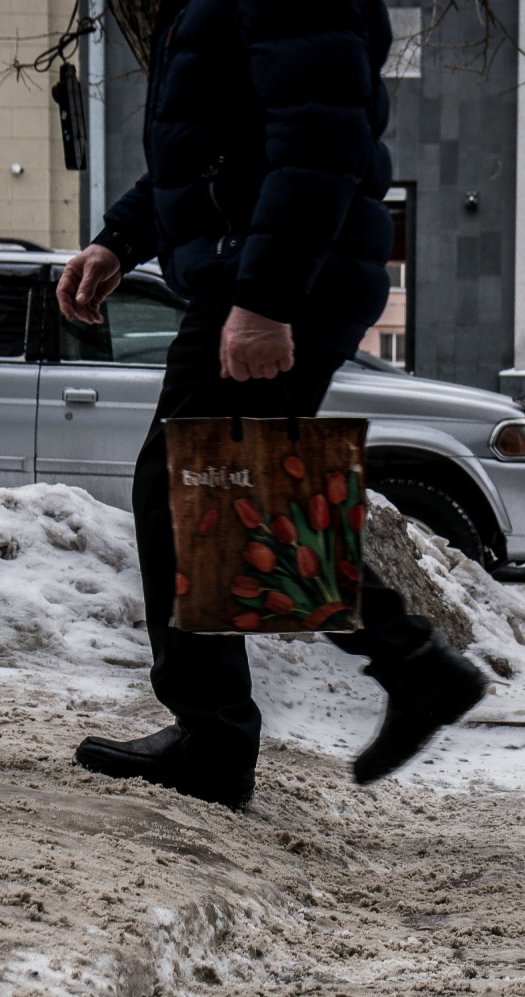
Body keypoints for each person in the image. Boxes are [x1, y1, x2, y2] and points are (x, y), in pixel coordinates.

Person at [56, 0, 484, 809]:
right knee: (241, 492)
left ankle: (220, 736)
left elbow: (321, 146)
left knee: (186, 489)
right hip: (254, 271)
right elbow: (217, 152)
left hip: (276, 277)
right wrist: (120, 238)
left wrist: (265, 301)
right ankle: (409, 668)